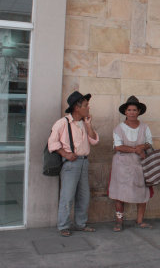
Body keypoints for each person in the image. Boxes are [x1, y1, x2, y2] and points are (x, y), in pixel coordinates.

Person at [48, 91, 99, 237]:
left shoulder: (84, 123)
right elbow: (52, 142)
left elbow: (94, 140)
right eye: (86, 106)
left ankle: (80, 224)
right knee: (67, 195)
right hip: (71, 164)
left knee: (84, 196)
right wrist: (65, 154)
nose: (88, 108)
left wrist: (88, 124)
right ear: (77, 108)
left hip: (84, 162)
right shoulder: (62, 123)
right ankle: (63, 225)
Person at [108, 96, 153, 232]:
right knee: (120, 193)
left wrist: (143, 147)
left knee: (142, 192)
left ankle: (140, 220)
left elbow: (149, 143)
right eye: (129, 110)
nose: (132, 112)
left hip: (140, 164)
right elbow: (117, 147)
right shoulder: (118, 129)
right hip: (122, 165)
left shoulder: (145, 127)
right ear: (125, 112)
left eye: (134, 110)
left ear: (139, 111)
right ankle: (119, 221)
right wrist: (136, 149)